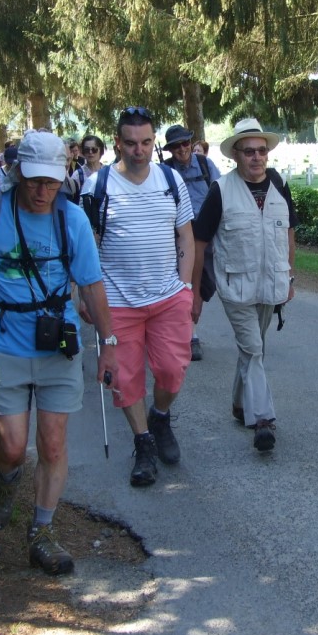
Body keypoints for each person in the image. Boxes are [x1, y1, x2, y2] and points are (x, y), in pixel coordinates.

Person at [0, 129, 118, 576]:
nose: (43, 192)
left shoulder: (72, 219)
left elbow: (93, 286)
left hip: (57, 344)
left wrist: (109, 344)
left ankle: (41, 530)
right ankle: (6, 481)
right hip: (3, 342)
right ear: (17, 171)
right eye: (35, 181)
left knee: (54, 441)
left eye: (53, 182)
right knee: (11, 445)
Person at [85, 106, 195, 487]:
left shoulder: (170, 180)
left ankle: (160, 415)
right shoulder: (97, 186)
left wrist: (185, 287)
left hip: (168, 297)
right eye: (131, 143)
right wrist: (82, 299)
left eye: (147, 142)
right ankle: (143, 443)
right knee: (125, 379)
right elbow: (86, 250)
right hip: (116, 302)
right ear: (117, 143)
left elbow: (185, 236)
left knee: (172, 371)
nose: (139, 150)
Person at [191, 118, 295, 452]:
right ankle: (263, 419)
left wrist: (289, 274)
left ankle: (239, 403)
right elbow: (200, 242)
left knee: (253, 349)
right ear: (236, 154)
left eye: (261, 150)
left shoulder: (279, 185)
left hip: (270, 285)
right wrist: (195, 289)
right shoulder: (221, 190)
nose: (256, 157)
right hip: (235, 287)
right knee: (253, 348)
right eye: (248, 151)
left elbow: (290, 231)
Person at [162, 124, 222, 361]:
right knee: (182, 285)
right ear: (169, 149)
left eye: (185, 143)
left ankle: (186, 329)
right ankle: (190, 335)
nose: (182, 149)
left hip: (205, 237)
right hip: (175, 239)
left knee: (205, 284)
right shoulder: (164, 171)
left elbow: (220, 195)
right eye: (176, 146)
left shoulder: (206, 166)